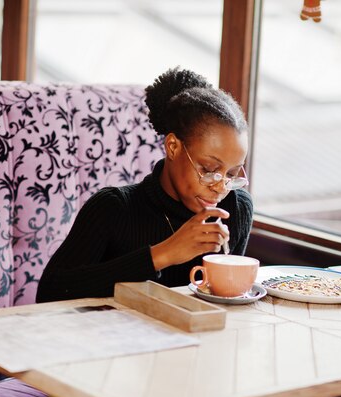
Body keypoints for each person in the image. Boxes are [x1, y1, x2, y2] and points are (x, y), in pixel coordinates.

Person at [36, 67, 253, 302]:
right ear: (173, 147)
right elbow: (50, 291)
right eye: (209, 170)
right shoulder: (113, 208)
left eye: (231, 174)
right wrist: (163, 254)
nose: (221, 187)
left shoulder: (236, 208)